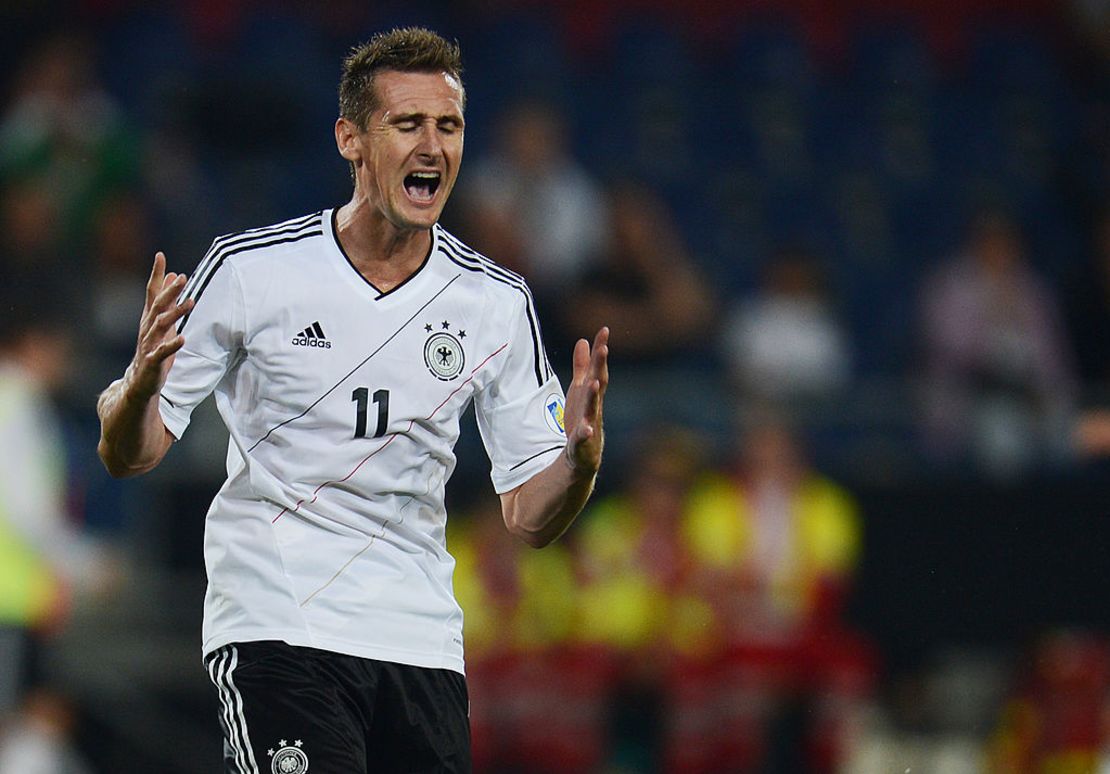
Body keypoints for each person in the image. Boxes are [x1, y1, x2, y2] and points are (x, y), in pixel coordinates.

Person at [95, 27, 609, 774]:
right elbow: (130, 454)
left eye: (449, 125)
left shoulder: (494, 303)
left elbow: (529, 517)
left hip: (418, 643)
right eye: (408, 124)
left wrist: (581, 465)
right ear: (351, 139)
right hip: (279, 623)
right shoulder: (249, 272)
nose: (433, 145)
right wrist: (142, 383)